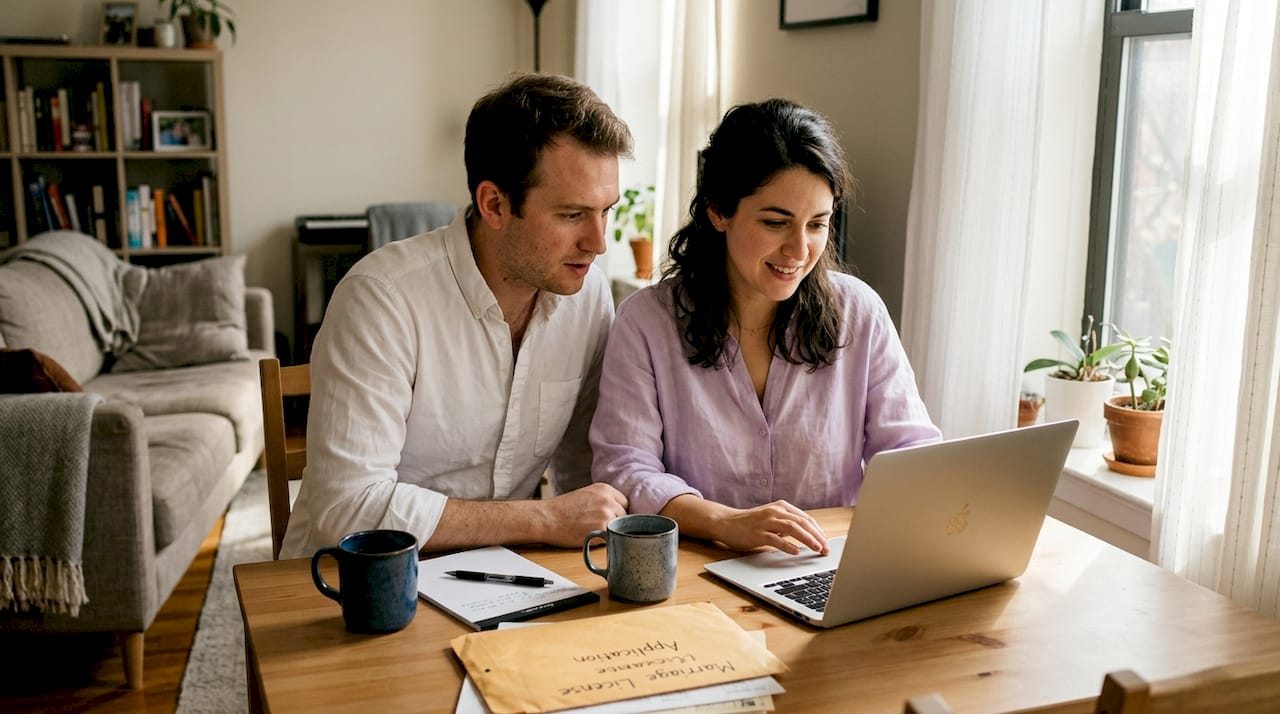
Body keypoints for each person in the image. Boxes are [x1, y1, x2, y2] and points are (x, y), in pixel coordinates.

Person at [280, 73, 634, 559]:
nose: (599, 242)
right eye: (572, 215)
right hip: (350, 584)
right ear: (494, 204)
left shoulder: (588, 298)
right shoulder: (380, 300)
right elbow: (346, 509)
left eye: (605, 211)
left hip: (502, 577)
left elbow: (582, 470)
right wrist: (545, 518)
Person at [590, 98, 941, 557]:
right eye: (776, 223)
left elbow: (909, 451)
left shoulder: (860, 313)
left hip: (830, 567)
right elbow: (625, 469)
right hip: (698, 574)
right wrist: (726, 522)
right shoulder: (646, 324)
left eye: (817, 224)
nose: (799, 249)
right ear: (718, 211)